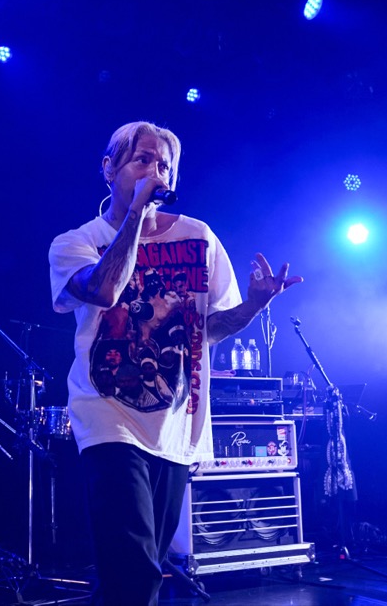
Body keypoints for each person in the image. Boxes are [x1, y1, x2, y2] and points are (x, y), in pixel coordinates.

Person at [49, 121, 302, 606]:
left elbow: (208, 330)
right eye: (142, 159)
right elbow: (104, 290)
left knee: (135, 569)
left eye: (164, 165)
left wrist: (253, 305)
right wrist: (136, 215)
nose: (155, 172)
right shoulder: (76, 242)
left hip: (176, 423)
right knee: (137, 570)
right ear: (109, 168)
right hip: (106, 415)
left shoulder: (198, 237)